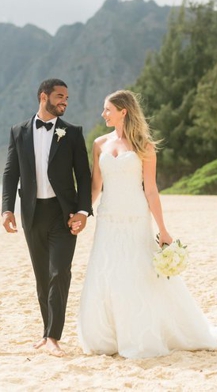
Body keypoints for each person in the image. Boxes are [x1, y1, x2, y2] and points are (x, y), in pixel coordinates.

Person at [77, 89, 217, 359]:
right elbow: (96, 186)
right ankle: (108, 336)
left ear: (123, 111)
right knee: (106, 271)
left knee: (137, 272)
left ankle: (141, 333)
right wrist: (83, 212)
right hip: (107, 218)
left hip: (136, 218)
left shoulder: (145, 146)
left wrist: (163, 230)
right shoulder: (99, 144)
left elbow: (151, 190)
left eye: (107, 109)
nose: (103, 114)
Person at [2, 78, 92, 357]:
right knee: (42, 276)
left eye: (67, 97)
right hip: (32, 213)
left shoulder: (73, 133)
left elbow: (84, 176)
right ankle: (46, 333)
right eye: (60, 96)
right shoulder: (19, 131)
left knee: (59, 273)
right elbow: (10, 172)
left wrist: (83, 210)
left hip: (62, 214)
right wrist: (7, 209)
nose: (65, 101)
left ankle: (54, 336)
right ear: (44, 96)